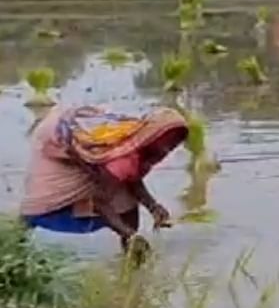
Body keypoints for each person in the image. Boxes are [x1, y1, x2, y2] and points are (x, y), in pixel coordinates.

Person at [20, 106, 188, 251]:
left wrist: (153, 206)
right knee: (42, 202)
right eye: (165, 141)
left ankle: (130, 260)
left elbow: (132, 178)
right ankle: (16, 239)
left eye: (174, 143)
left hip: (78, 133)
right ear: (153, 135)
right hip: (56, 139)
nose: (168, 148)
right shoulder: (123, 159)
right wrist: (129, 234)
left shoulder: (135, 144)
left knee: (127, 201)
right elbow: (100, 201)